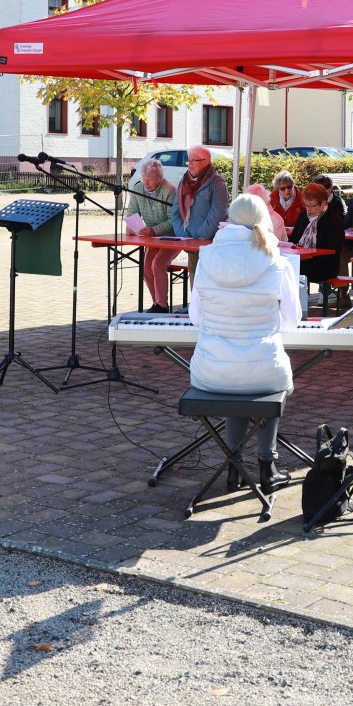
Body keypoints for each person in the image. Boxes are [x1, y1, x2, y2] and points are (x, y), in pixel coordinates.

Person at [187, 193, 303, 495]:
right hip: (264, 368)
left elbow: (196, 318)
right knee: (257, 376)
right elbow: (292, 320)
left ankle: (233, 467)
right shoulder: (277, 261)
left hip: (209, 371)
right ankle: (268, 466)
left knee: (234, 375)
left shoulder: (206, 256)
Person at [127, 157, 179, 312]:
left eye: (151, 180)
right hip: (152, 238)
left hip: (172, 237)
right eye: (144, 179)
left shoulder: (170, 191)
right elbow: (132, 212)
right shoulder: (138, 189)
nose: (147, 183)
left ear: (160, 178)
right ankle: (157, 303)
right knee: (147, 268)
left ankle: (162, 305)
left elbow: (173, 221)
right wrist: (130, 226)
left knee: (157, 264)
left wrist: (154, 230)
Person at [171, 144, 231, 275]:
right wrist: (183, 235)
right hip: (189, 242)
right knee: (194, 280)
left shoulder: (217, 182)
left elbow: (218, 213)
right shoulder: (184, 181)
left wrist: (200, 236)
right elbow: (175, 212)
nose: (189, 164)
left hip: (209, 244)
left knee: (207, 280)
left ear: (206, 161)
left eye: (194, 160)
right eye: (189, 160)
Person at [288, 181, 345, 295]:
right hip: (303, 260)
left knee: (293, 269)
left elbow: (334, 251)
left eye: (312, 205)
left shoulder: (333, 221)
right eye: (306, 205)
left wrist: (309, 254)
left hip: (324, 266)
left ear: (323, 203)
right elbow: (293, 240)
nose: (309, 209)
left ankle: (299, 304)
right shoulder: (303, 216)